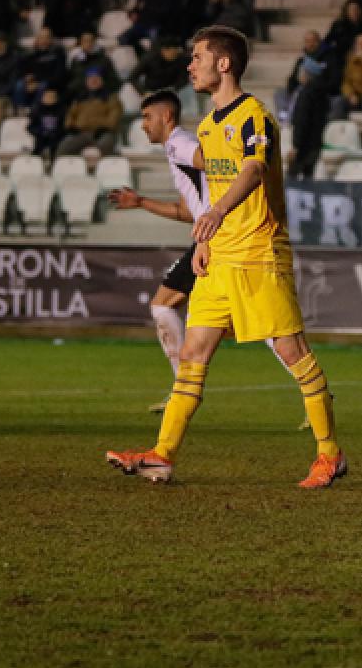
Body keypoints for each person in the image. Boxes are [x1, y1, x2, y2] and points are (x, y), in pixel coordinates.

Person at [106, 26, 345, 488]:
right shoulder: (210, 127)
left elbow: (254, 170)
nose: (189, 65)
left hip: (259, 254)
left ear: (224, 64)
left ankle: (329, 454)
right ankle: (162, 454)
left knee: (294, 353)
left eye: (197, 57)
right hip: (219, 258)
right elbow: (214, 186)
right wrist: (203, 242)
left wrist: (216, 211)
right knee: (193, 353)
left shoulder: (254, 115)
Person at [57, 69, 122, 156]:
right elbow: (71, 114)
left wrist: (105, 128)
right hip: (82, 132)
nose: (93, 81)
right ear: (86, 81)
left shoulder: (111, 97)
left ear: (102, 80)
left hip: (102, 133)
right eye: (90, 79)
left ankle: (110, 166)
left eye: (96, 79)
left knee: (105, 146)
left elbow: (114, 116)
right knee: (64, 147)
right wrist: (71, 126)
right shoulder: (80, 97)